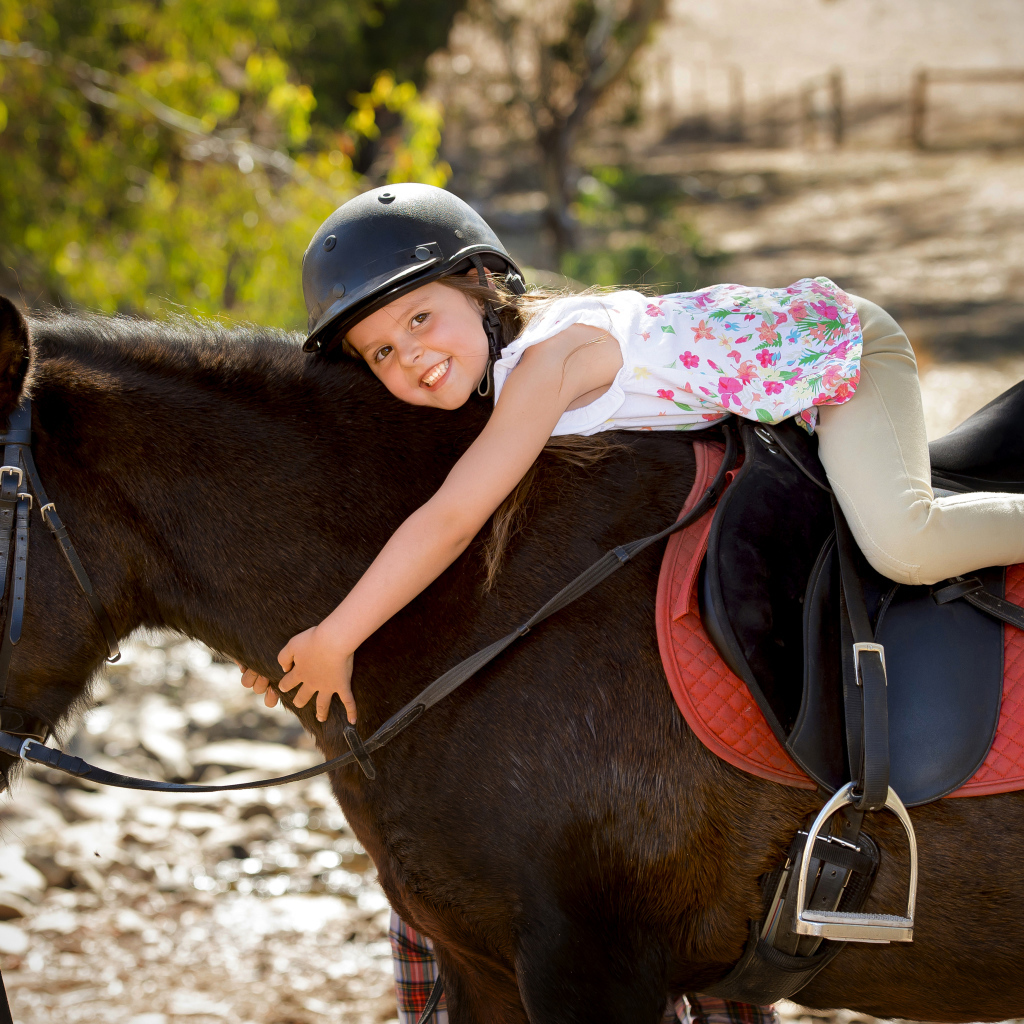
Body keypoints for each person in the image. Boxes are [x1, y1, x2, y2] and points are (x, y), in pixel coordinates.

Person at [237, 182, 1024, 1020]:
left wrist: (340, 635)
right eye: (381, 353)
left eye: (420, 319)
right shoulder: (493, 381)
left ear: (480, 285)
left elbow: (453, 518)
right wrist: (306, 640)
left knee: (902, 539)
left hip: (839, 355)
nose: (410, 357)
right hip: (780, 392)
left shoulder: (548, 363)